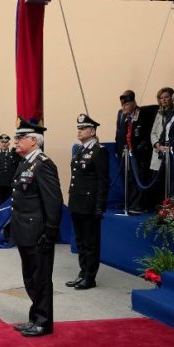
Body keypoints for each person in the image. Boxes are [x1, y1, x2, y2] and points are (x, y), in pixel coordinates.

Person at [8, 119, 61, 337]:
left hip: (37, 231)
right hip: (24, 230)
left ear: (33, 140)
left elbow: (53, 201)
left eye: (20, 138)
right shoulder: (25, 162)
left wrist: (50, 232)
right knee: (30, 277)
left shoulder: (43, 164)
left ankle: (43, 321)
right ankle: (35, 317)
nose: (16, 142)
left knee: (40, 277)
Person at [66, 114, 108, 290]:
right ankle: (82, 273)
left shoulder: (99, 151)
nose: (79, 131)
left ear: (92, 131)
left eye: (82, 128)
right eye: (78, 128)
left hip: (89, 204)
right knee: (81, 241)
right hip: (77, 202)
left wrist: (99, 205)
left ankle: (90, 277)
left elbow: (103, 181)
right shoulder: (80, 150)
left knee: (91, 242)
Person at [114, 91, 156, 213]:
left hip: (139, 153)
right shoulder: (124, 117)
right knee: (130, 179)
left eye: (126, 104)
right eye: (122, 105)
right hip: (127, 153)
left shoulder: (142, 114)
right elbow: (120, 134)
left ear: (133, 103)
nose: (123, 107)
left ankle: (140, 205)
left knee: (139, 179)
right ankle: (132, 203)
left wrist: (141, 147)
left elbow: (147, 133)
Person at [148, 88, 174, 203]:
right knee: (157, 182)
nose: (164, 100)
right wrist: (157, 145)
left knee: (168, 181)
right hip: (158, 151)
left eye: (166, 97)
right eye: (161, 98)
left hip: (169, 151)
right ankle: (158, 207)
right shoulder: (159, 113)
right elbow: (153, 132)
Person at [0, 134, 18, 206]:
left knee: (10, 202)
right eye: (2, 142)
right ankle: (0, 217)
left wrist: (15, 181)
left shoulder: (14, 153)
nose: (4, 144)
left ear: (9, 143)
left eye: (6, 142)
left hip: (10, 183)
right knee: (0, 202)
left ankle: (9, 217)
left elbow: (17, 168)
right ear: (0, 143)